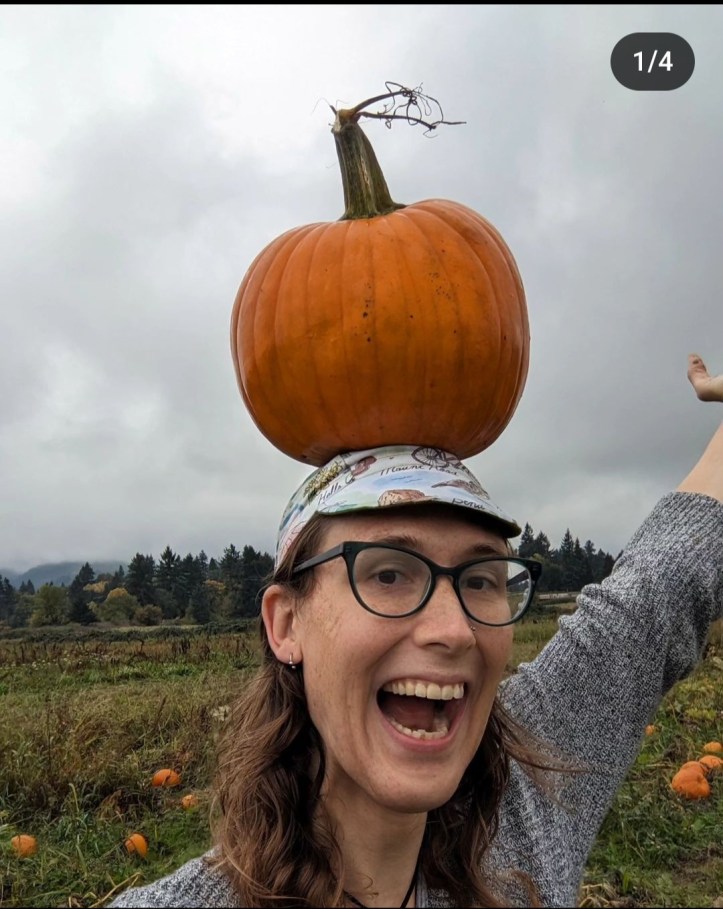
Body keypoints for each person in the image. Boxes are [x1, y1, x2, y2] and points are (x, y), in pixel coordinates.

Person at [110, 353, 723, 908]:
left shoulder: (531, 805)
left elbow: (660, 587)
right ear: (286, 623)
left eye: (481, 579)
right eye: (388, 575)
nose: (454, 630)